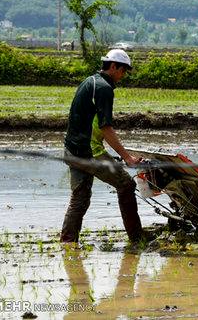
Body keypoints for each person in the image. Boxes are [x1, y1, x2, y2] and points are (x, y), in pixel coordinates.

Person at [61, 49, 144, 244]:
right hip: (90, 152)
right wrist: (127, 157)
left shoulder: (89, 81)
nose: (123, 76)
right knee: (126, 184)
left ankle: (67, 242)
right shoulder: (104, 89)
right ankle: (137, 239)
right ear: (113, 66)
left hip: (72, 150)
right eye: (123, 71)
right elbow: (105, 127)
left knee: (80, 198)